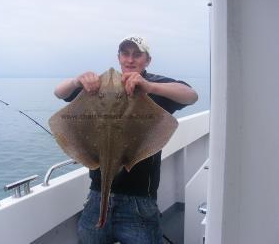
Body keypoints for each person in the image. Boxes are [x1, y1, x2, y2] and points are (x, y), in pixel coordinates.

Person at [54, 35, 198, 244]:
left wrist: (148, 87)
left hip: (139, 202)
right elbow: (59, 92)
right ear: (119, 57)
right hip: (97, 196)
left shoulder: (155, 84)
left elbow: (191, 95)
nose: (130, 60)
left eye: (137, 55)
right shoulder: (97, 87)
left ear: (147, 60)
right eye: (125, 54)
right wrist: (77, 81)